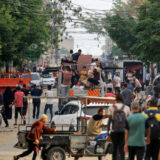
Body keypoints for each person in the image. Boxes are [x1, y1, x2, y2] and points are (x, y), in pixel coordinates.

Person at [108, 94, 130, 160]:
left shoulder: (111, 107)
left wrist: (108, 131)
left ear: (116, 99)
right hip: (123, 131)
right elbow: (128, 121)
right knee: (122, 149)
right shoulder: (127, 107)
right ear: (123, 99)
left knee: (114, 149)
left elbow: (109, 120)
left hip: (114, 131)